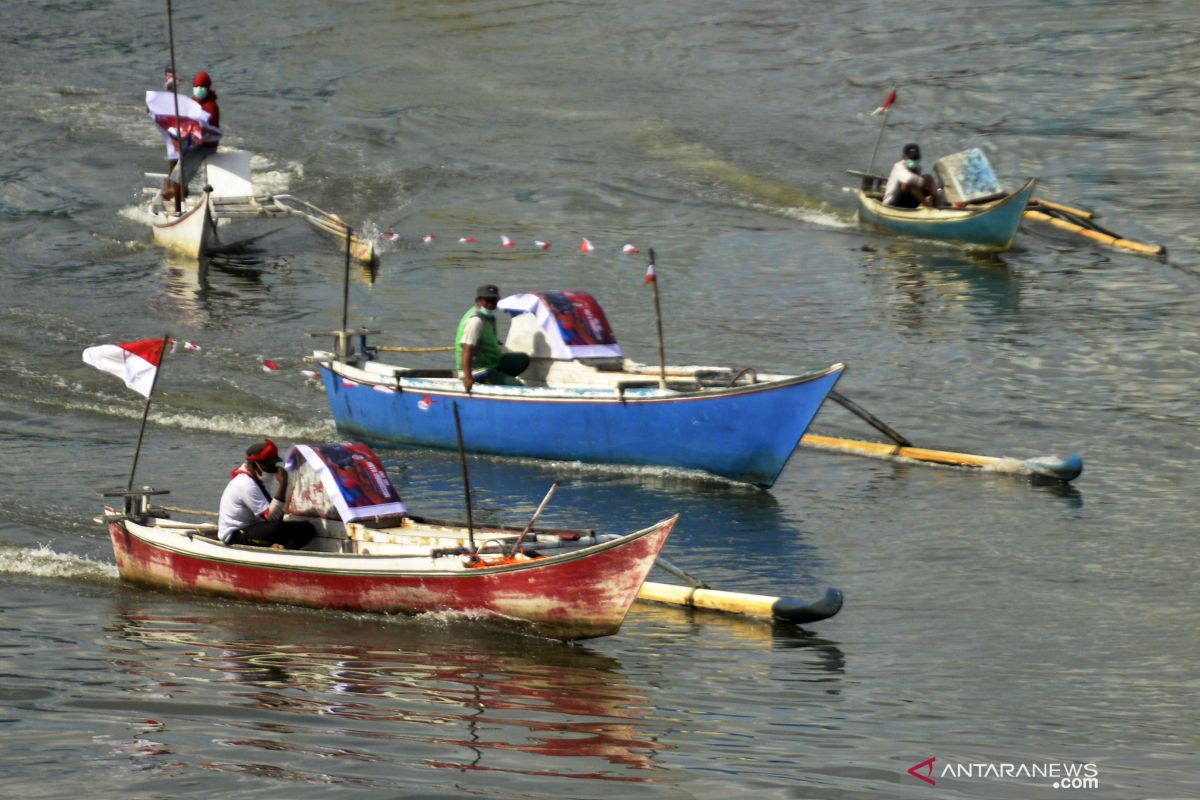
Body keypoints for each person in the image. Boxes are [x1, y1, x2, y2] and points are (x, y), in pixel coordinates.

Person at [218, 439, 315, 550]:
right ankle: (279, 551)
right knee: (277, 527)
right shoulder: (246, 484)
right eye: (269, 464)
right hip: (235, 535)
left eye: (274, 464)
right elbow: (271, 517)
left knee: (307, 529)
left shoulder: (258, 477)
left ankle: (284, 549)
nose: (272, 468)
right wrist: (283, 484)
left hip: (252, 527)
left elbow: (273, 513)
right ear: (255, 463)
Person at [456, 284, 530, 392]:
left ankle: (498, 380)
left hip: (490, 363)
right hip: (478, 370)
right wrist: (468, 377)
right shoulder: (476, 321)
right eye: (487, 300)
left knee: (522, 360)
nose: (491, 304)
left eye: (494, 300)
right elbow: (466, 349)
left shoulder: (488, 316)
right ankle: (493, 381)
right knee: (517, 387)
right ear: (479, 301)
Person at [164, 70, 222, 202]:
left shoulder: (211, 106)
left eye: (202, 87)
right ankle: (178, 188)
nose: (199, 89)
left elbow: (205, 130)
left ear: (208, 88)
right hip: (192, 142)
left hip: (205, 146)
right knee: (173, 155)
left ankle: (176, 189)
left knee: (184, 169)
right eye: (197, 86)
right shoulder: (192, 103)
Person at [883, 143, 940, 208]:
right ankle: (928, 207)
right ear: (903, 157)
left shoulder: (918, 168)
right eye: (911, 159)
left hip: (910, 201)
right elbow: (908, 179)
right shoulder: (898, 167)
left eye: (915, 159)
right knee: (911, 183)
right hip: (893, 202)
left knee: (929, 178)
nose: (913, 161)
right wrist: (925, 181)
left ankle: (936, 206)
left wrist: (930, 184)